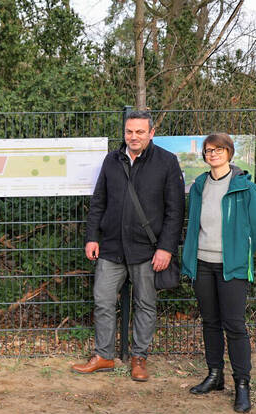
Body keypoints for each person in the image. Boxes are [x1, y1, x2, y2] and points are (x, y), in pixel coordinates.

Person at [72, 110, 185, 381]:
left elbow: (176, 210)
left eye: (139, 132)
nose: (133, 137)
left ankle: (139, 358)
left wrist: (166, 248)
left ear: (151, 133)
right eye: (129, 132)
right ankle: (104, 356)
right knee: (102, 300)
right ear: (124, 132)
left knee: (145, 303)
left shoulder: (167, 162)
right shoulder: (112, 160)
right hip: (111, 247)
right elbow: (98, 201)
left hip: (148, 249)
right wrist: (92, 237)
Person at [181, 133, 256, 413]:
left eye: (219, 149)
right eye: (208, 150)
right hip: (202, 263)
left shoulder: (245, 187)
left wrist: (239, 251)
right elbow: (194, 223)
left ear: (230, 153)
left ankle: (242, 384)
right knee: (210, 322)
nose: (213, 154)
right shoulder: (199, 185)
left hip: (232, 267)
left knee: (235, 326)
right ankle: (215, 375)